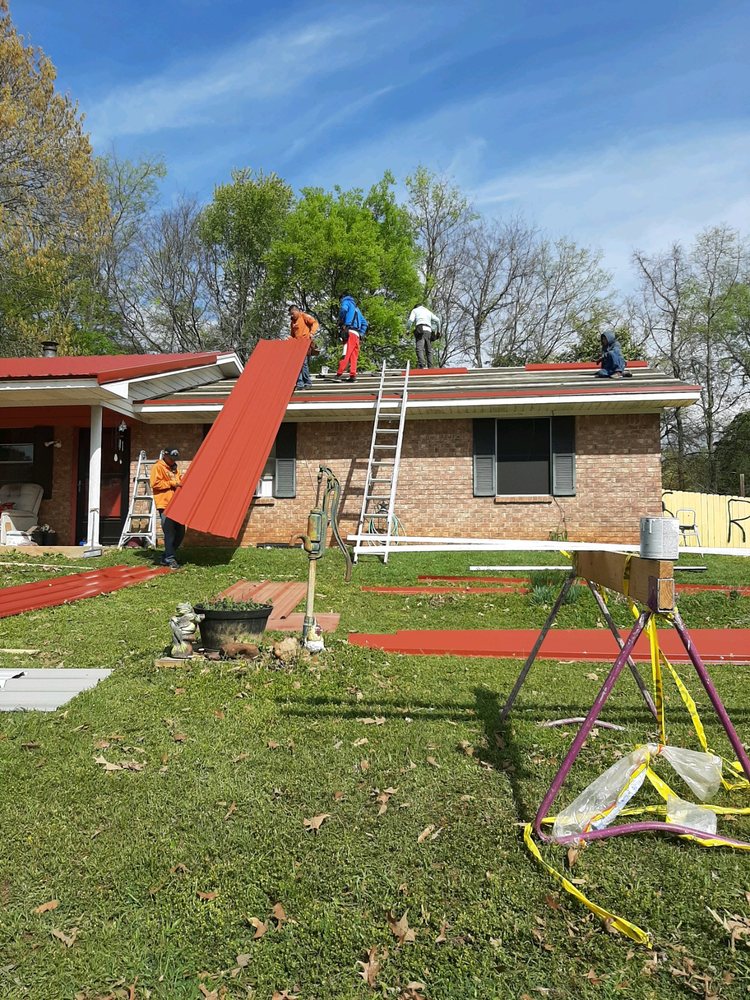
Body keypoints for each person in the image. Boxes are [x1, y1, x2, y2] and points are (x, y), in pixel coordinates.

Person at [150, 448, 185, 569]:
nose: (173, 461)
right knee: (169, 533)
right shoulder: (158, 467)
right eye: (171, 458)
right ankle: (170, 558)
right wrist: (172, 483)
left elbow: (179, 481)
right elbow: (154, 483)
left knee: (180, 532)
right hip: (165, 504)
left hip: (177, 504)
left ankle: (167, 556)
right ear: (165, 455)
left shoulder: (175, 468)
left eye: (174, 459)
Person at [336, 293, 368, 381]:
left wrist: (341, 320)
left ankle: (339, 374)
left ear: (342, 298)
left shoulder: (346, 301)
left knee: (346, 352)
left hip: (349, 332)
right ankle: (353, 375)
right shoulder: (357, 309)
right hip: (357, 335)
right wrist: (361, 334)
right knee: (354, 356)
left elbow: (343, 309)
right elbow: (365, 323)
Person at [289, 305, 319, 389]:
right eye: (291, 314)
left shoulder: (304, 316)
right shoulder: (292, 322)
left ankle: (307, 382)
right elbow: (292, 335)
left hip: (305, 344)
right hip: (297, 345)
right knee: (297, 364)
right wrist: (290, 338)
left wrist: (312, 333)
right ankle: (300, 383)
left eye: (293, 313)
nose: (292, 315)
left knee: (303, 363)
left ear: (297, 311)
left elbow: (315, 323)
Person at [407, 303, 441, 369]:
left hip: (420, 330)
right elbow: (438, 320)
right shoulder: (428, 311)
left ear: (416, 307)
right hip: (429, 331)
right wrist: (438, 332)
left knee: (419, 348)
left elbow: (410, 320)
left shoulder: (415, 310)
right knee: (429, 350)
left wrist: (408, 330)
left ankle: (421, 364)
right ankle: (430, 367)